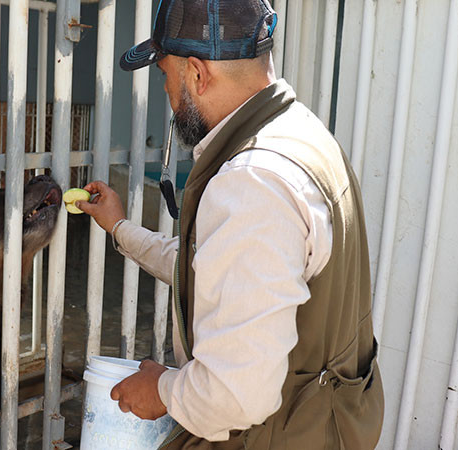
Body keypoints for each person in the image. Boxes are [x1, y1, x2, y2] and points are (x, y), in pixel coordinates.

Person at [75, 0, 385, 448]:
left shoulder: (251, 182)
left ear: (198, 75)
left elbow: (235, 393)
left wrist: (162, 390)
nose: (165, 91)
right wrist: (121, 228)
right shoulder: (301, 133)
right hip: (330, 420)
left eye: (165, 75)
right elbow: (220, 266)